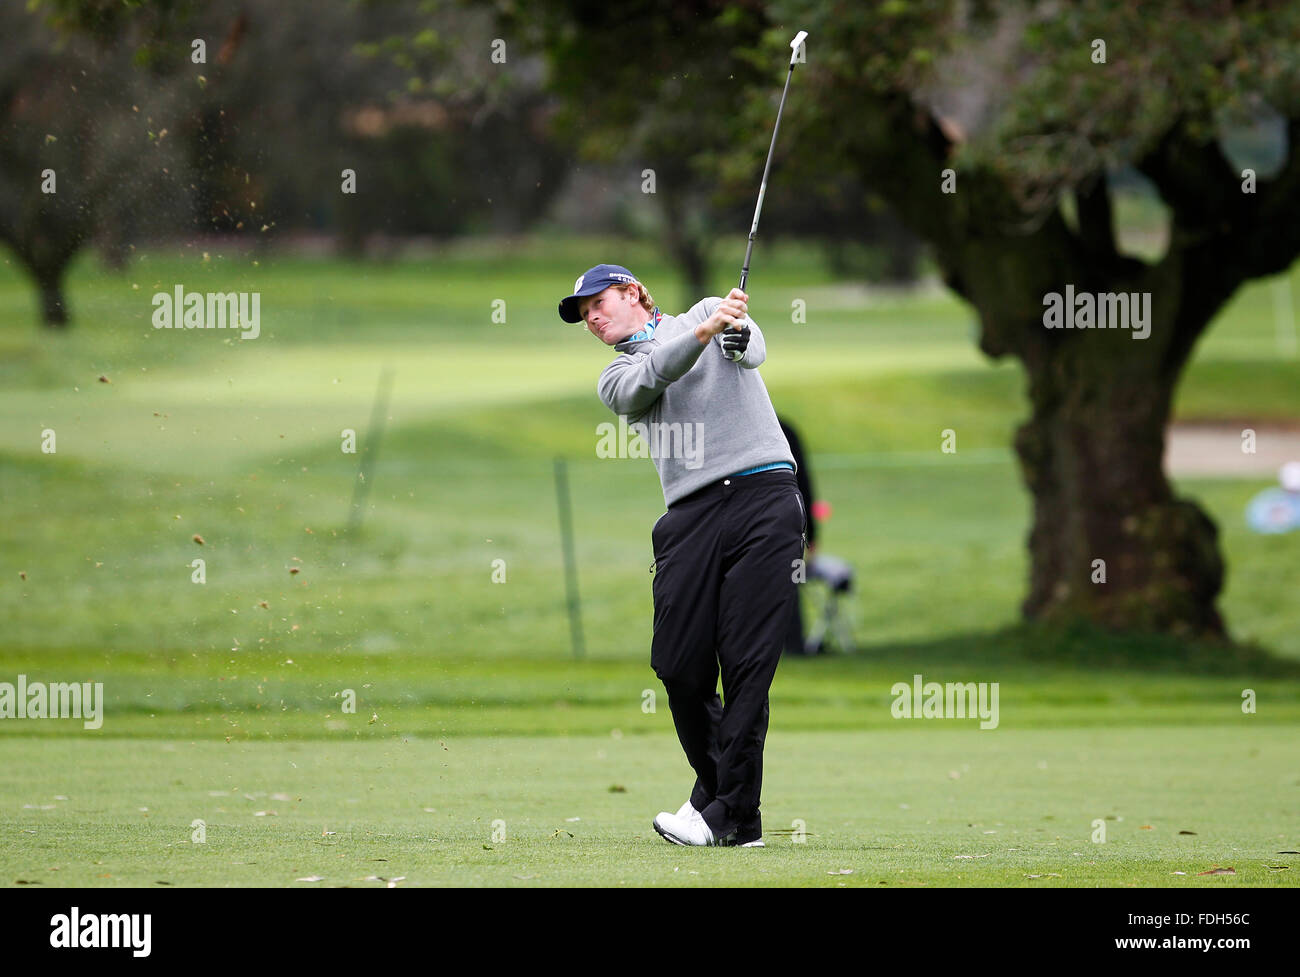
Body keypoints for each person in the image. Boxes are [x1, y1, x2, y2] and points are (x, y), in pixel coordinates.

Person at [559, 263, 805, 848]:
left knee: (747, 662)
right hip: (691, 515)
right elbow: (656, 375)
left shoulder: (706, 312)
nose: (592, 319)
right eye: (584, 314)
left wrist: (735, 330)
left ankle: (729, 816)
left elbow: (754, 350)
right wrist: (704, 334)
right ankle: (722, 799)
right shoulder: (618, 374)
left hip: (764, 495)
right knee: (676, 663)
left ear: (633, 292)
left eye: (599, 303)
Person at [777, 416, 819, 656]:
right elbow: (805, 485)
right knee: (790, 584)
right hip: (790, 527)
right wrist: (812, 536)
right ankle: (794, 645)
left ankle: (792, 645)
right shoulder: (786, 429)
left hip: (787, 529)